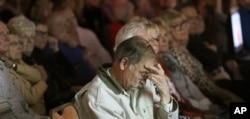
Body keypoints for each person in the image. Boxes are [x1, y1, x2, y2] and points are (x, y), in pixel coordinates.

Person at [76, 36, 178, 119]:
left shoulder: (143, 82)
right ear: (124, 63)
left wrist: (165, 94)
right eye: (143, 74)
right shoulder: (99, 98)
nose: (146, 81)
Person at [0, 21, 46, 119]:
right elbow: (30, 98)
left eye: (7, 34)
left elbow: (21, 107)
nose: (20, 47)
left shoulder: (7, 66)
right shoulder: (6, 69)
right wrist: (44, 81)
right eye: (1, 34)